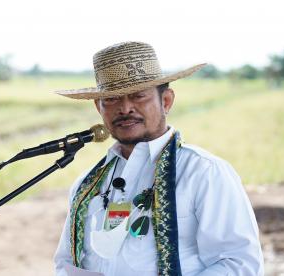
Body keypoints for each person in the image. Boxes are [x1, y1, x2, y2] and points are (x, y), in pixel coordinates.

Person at [53, 41, 264, 276]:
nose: (125, 108)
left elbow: (240, 264)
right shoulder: (87, 184)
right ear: (98, 108)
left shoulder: (204, 172)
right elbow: (65, 262)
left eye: (138, 96)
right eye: (111, 99)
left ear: (166, 101)